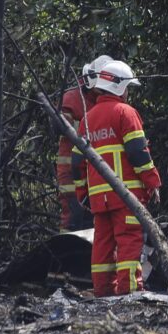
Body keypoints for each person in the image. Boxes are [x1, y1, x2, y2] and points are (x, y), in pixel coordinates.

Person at [70, 60, 162, 296]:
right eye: (128, 87)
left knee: (102, 246)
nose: (129, 93)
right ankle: (130, 293)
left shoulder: (87, 121)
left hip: (100, 200)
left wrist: (83, 196)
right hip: (127, 196)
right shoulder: (125, 113)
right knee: (129, 243)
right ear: (119, 87)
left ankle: (103, 292)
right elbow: (138, 153)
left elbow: (76, 163)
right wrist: (153, 183)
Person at [55, 55, 111, 231]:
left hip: (96, 173)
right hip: (72, 173)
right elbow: (62, 129)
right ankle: (65, 256)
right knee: (72, 219)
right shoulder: (71, 99)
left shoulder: (104, 99)